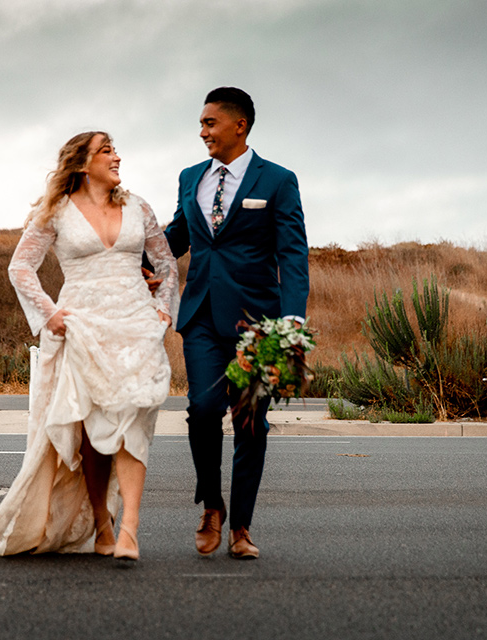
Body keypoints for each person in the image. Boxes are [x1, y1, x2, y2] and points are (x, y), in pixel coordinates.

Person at [0, 131, 178, 562]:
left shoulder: (138, 207)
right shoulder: (56, 213)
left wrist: (163, 311)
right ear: (82, 162)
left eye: (115, 149)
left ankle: (131, 529)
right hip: (81, 328)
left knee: (133, 425)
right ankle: (102, 524)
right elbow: (21, 266)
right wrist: (50, 314)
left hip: (136, 326)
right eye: (106, 150)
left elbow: (167, 264)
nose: (117, 156)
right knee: (92, 433)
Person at [163, 87, 309, 559]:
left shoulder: (278, 181)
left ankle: (241, 527)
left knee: (250, 424)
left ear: (238, 125)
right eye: (202, 123)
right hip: (201, 315)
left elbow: (293, 254)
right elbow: (177, 236)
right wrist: (132, 254)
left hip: (259, 325)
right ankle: (212, 505)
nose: (202, 131)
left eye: (209, 122)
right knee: (202, 412)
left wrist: (291, 322)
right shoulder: (190, 178)